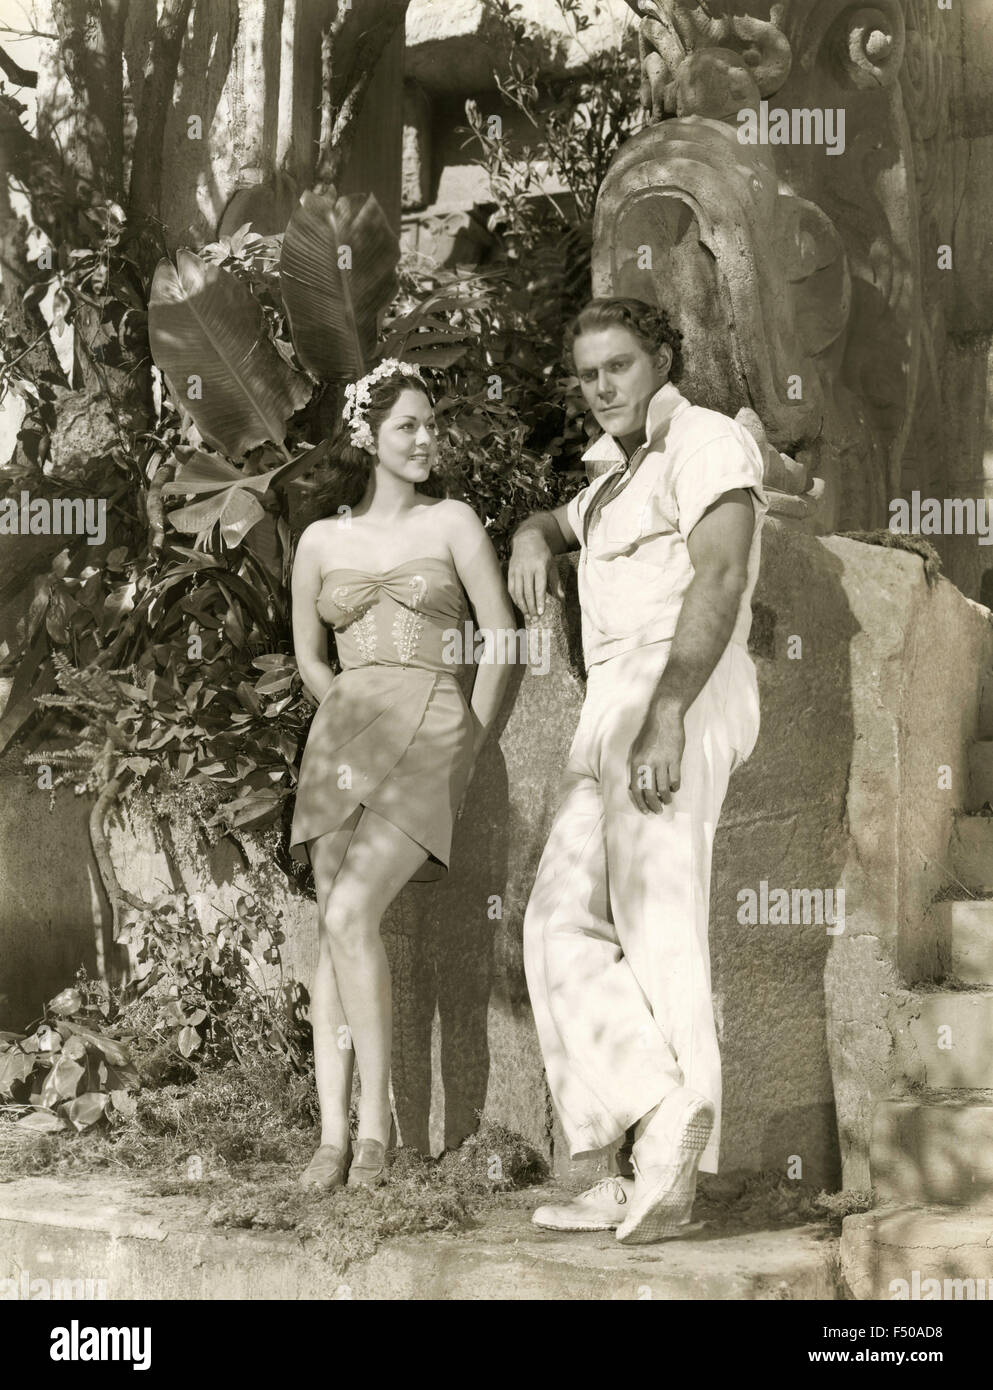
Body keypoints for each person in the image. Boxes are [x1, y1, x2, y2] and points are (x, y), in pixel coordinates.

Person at [508, 298, 769, 1244]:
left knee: (659, 927)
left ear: (663, 359)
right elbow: (558, 519)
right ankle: (644, 1131)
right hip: (607, 708)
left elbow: (721, 574)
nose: (602, 387)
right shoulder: (614, 477)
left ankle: (670, 1174)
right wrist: (532, 535)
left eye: (619, 366)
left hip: (671, 689)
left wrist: (667, 715)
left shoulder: (703, 440)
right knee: (554, 924)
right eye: (588, 374)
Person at [290, 360, 515, 1191]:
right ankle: (329, 1135)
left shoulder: (453, 522)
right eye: (407, 427)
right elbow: (310, 658)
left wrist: (470, 743)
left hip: (431, 723)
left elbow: (498, 636)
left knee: (353, 910)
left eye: (430, 424)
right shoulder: (320, 541)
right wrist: (345, 711)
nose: (425, 439)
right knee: (332, 929)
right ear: (368, 438)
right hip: (343, 732)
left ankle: (377, 1134)